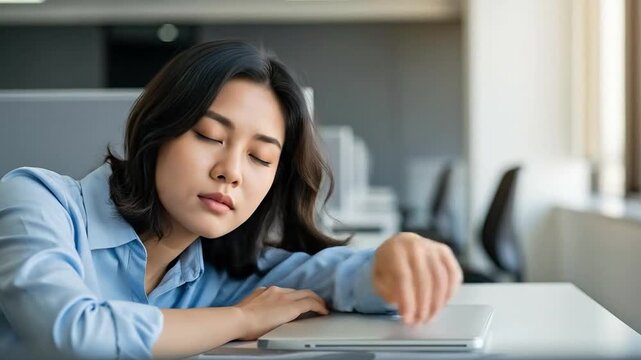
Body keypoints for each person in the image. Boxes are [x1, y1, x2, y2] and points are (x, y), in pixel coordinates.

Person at [0, 40, 462, 359]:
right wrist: (240, 319)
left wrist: (393, 262)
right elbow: (73, 334)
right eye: (208, 135)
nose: (232, 172)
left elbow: (337, 278)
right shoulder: (38, 201)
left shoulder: (215, 274)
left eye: (261, 158)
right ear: (158, 131)